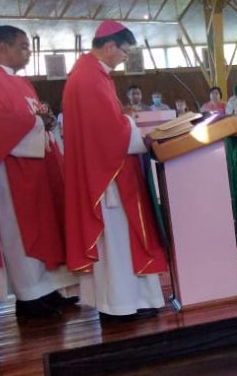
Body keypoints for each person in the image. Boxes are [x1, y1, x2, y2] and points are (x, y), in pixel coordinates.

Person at [0, 25, 76, 319]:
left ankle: (47, 289)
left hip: (33, 169)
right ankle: (29, 298)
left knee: (42, 228)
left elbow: (33, 115)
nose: (28, 53)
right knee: (19, 233)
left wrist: (45, 119)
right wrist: (37, 121)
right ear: (3, 47)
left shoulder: (20, 82)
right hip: (8, 174)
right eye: (23, 46)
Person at [62, 21, 168, 322]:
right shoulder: (89, 78)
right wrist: (131, 124)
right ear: (109, 46)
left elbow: (107, 121)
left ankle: (134, 300)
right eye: (124, 51)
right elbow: (109, 131)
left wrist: (125, 118)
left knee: (123, 240)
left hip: (110, 171)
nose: (125, 57)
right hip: (108, 177)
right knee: (118, 242)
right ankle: (119, 306)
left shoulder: (92, 73)